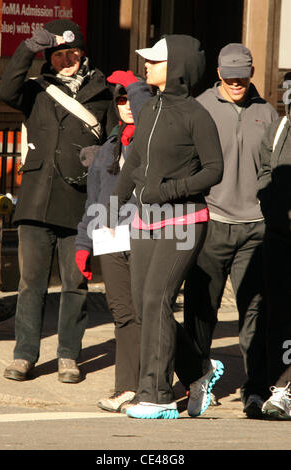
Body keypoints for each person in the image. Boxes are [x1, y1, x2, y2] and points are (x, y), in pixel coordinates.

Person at [107, 35, 224, 419]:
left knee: (156, 300)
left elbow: (213, 170)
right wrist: (113, 208)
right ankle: (198, 371)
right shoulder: (151, 108)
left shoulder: (196, 114)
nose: (147, 66)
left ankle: (155, 395)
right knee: (144, 307)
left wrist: (169, 191)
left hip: (184, 222)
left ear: (176, 69)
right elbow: (136, 162)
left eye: (155, 62)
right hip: (145, 221)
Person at [0, 19, 116, 383]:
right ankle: (24, 355)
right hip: (36, 199)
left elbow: (115, 144)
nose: (67, 60)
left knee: (74, 283)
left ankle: (68, 356)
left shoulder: (104, 92)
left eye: (73, 52)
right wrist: (28, 49)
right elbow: (5, 90)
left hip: (79, 202)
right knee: (31, 283)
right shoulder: (36, 90)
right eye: (59, 54)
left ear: (83, 54)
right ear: (50, 58)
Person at [184, 43, 278, 418]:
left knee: (254, 312)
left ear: (252, 73)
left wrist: (267, 206)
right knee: (200, 309)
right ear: (219, 73)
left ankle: (255, 389)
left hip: (254, 229)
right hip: (210, 224)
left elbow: (274, 165)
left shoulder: (267, 112)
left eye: (243, 75)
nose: (237, 82)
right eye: (230, 76)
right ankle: (195, 380)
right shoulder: (200, 107)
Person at [75, 70, 151, 412]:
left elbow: (147, 113)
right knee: (122, 314)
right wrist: (82, 245)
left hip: (148, 237)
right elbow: (93, 203)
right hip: (109, 238)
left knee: (150, 313)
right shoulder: (106, 149)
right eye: (121, 99)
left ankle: (187, 372)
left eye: (132, 98)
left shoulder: (153, 139)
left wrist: (136, 88)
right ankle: (127, 388)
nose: (128, 105)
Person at [257, 96, 291, 419]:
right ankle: (279, 388)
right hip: (279, 236)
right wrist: (269, 205)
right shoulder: (278, 128)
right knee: (278, 314)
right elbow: (265, 169)